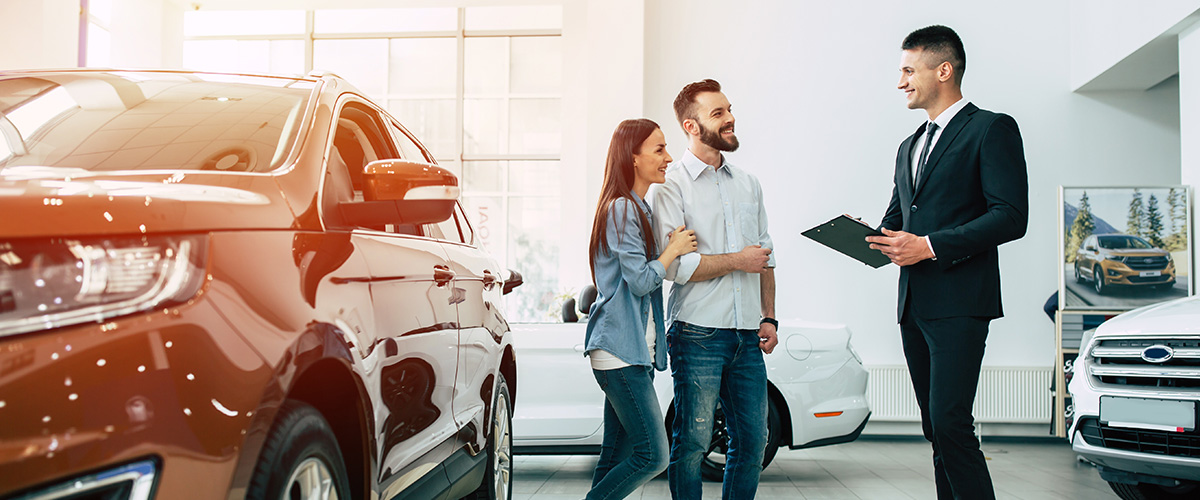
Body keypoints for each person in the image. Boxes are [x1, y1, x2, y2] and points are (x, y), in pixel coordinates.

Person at [866, 25, 1028, 500]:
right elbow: (897, 219)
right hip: (914, 305)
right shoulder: (909, 146)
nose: (901, 82)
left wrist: (931, 245)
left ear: (944, 69)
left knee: (952, 424)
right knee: (937, 429)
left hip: (961, 301)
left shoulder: (992, 128)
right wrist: (868, 237)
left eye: (908, 70)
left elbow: (1011, 216)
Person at [652, 79, 778, 500]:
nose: (730, 118)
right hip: (697, 332)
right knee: (691, 444)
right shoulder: (670, 186)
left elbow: (766, 257)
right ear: (691, 125)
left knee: (753, 443)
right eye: (718, 113)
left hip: (747, 334)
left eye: (729, 109)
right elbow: (678, 267)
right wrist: (737, 261)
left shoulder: (749, 183)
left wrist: (769, 316)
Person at [585, 118, 697, 500]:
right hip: (618, 352)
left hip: (631, 351)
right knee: (653, 455)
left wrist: (665, 251)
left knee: (615, 454)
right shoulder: (621, 209)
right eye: (659, 149)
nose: (668, 157)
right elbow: (641, 281)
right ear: (633, 158)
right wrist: (672, 251)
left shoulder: (640, 209)